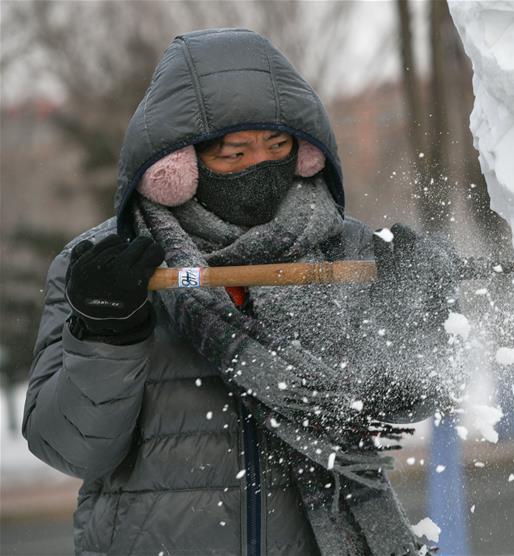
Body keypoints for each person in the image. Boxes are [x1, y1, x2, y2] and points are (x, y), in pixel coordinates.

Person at [23, 28, 463, 556]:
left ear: (305, 154)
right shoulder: (98, 267)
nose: (259, 168)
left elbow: (405, 399)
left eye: (277, 148)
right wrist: (105, 334)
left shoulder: (340, 250)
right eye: (233, 155)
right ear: (176, 168)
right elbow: (71, 448)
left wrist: (414, 307)